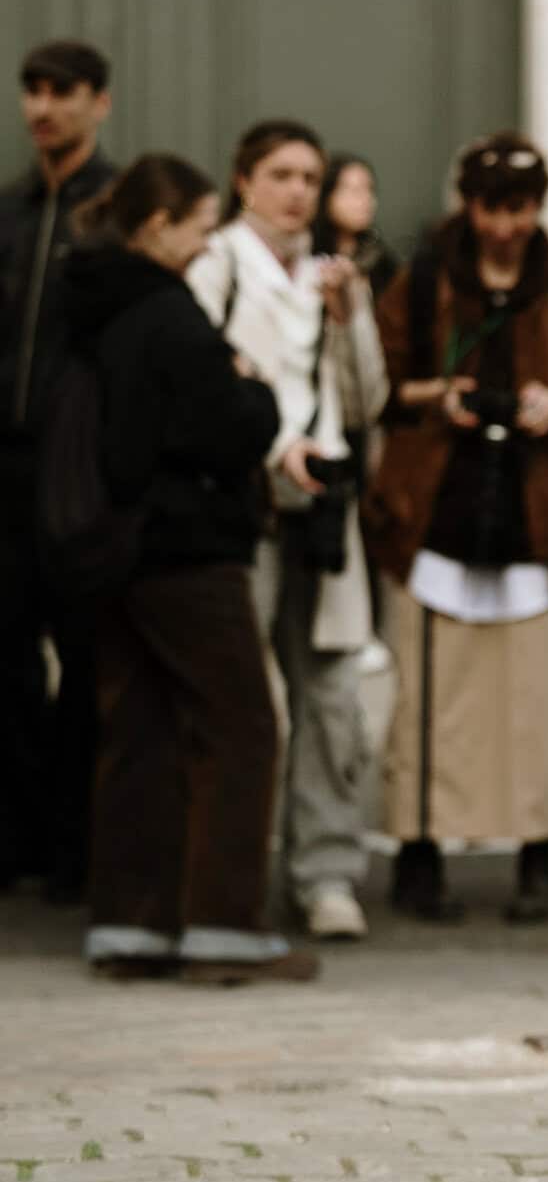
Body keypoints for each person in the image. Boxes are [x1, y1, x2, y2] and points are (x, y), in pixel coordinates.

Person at [61, 155, 317, 985]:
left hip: (111, 547)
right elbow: (233, 428)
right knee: (241, 727)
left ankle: (131, 927)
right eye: (202, 229)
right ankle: (223, 926)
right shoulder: (168, 315)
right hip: (186, 549)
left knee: (139, 731)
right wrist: (256, 389)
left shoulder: (92, 307)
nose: (209, 247)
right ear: (158, 227)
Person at [365, 133, 548, 926]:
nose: (507, 225)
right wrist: (442, 395)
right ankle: (417, 851)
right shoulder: (424, 279)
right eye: (494, 207)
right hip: (436, 510)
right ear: (467, 204)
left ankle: (539, 853)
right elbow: (382, 384)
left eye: (523, 208)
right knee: (428, 699)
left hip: (537, 518)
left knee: (534, 700)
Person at [189, 121, 387, 943]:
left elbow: (368, 399)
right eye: (280, 174)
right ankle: (230, 874)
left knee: (333, 696)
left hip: (326, 516)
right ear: (244, 181)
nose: (299, 190)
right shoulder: (215, 264)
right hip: (246, 508)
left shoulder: (331, 276)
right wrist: (274, 449)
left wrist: (353, 316)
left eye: (310, 175)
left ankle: (326, 874)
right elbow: (200, 387)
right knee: (244, 698)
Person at [0, 39, 115, 899]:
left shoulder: (110, 210)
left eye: (61, 92)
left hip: (76, 481)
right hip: (6, 475)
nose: (43, 107)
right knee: (7, 663)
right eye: (33, 91)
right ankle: (22, 839)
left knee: (85, 664)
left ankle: (79, 848)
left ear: (98, 102)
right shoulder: (8, 208)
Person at [314, 152, 400, 299]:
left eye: (370, 190)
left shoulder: (378, 257)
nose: (366, 199)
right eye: (354, 191)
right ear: (327, 196)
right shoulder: (309, 254)